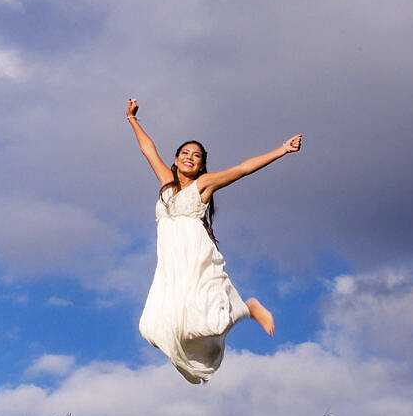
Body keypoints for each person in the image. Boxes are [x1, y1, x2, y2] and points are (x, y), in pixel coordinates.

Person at [126, 98, 302, 384]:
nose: (190, 157)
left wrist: (282, 150)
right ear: (175, 159)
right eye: (185, 153)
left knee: (209, 321)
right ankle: (232, 319)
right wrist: (132, 119)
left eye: (196, 156)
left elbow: (243, 169)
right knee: (151, 327)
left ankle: (248, 308)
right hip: (170, 265)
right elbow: (148, 150)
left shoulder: (203, 186)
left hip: (195, 257)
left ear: (202, 165)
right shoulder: (166, 184)